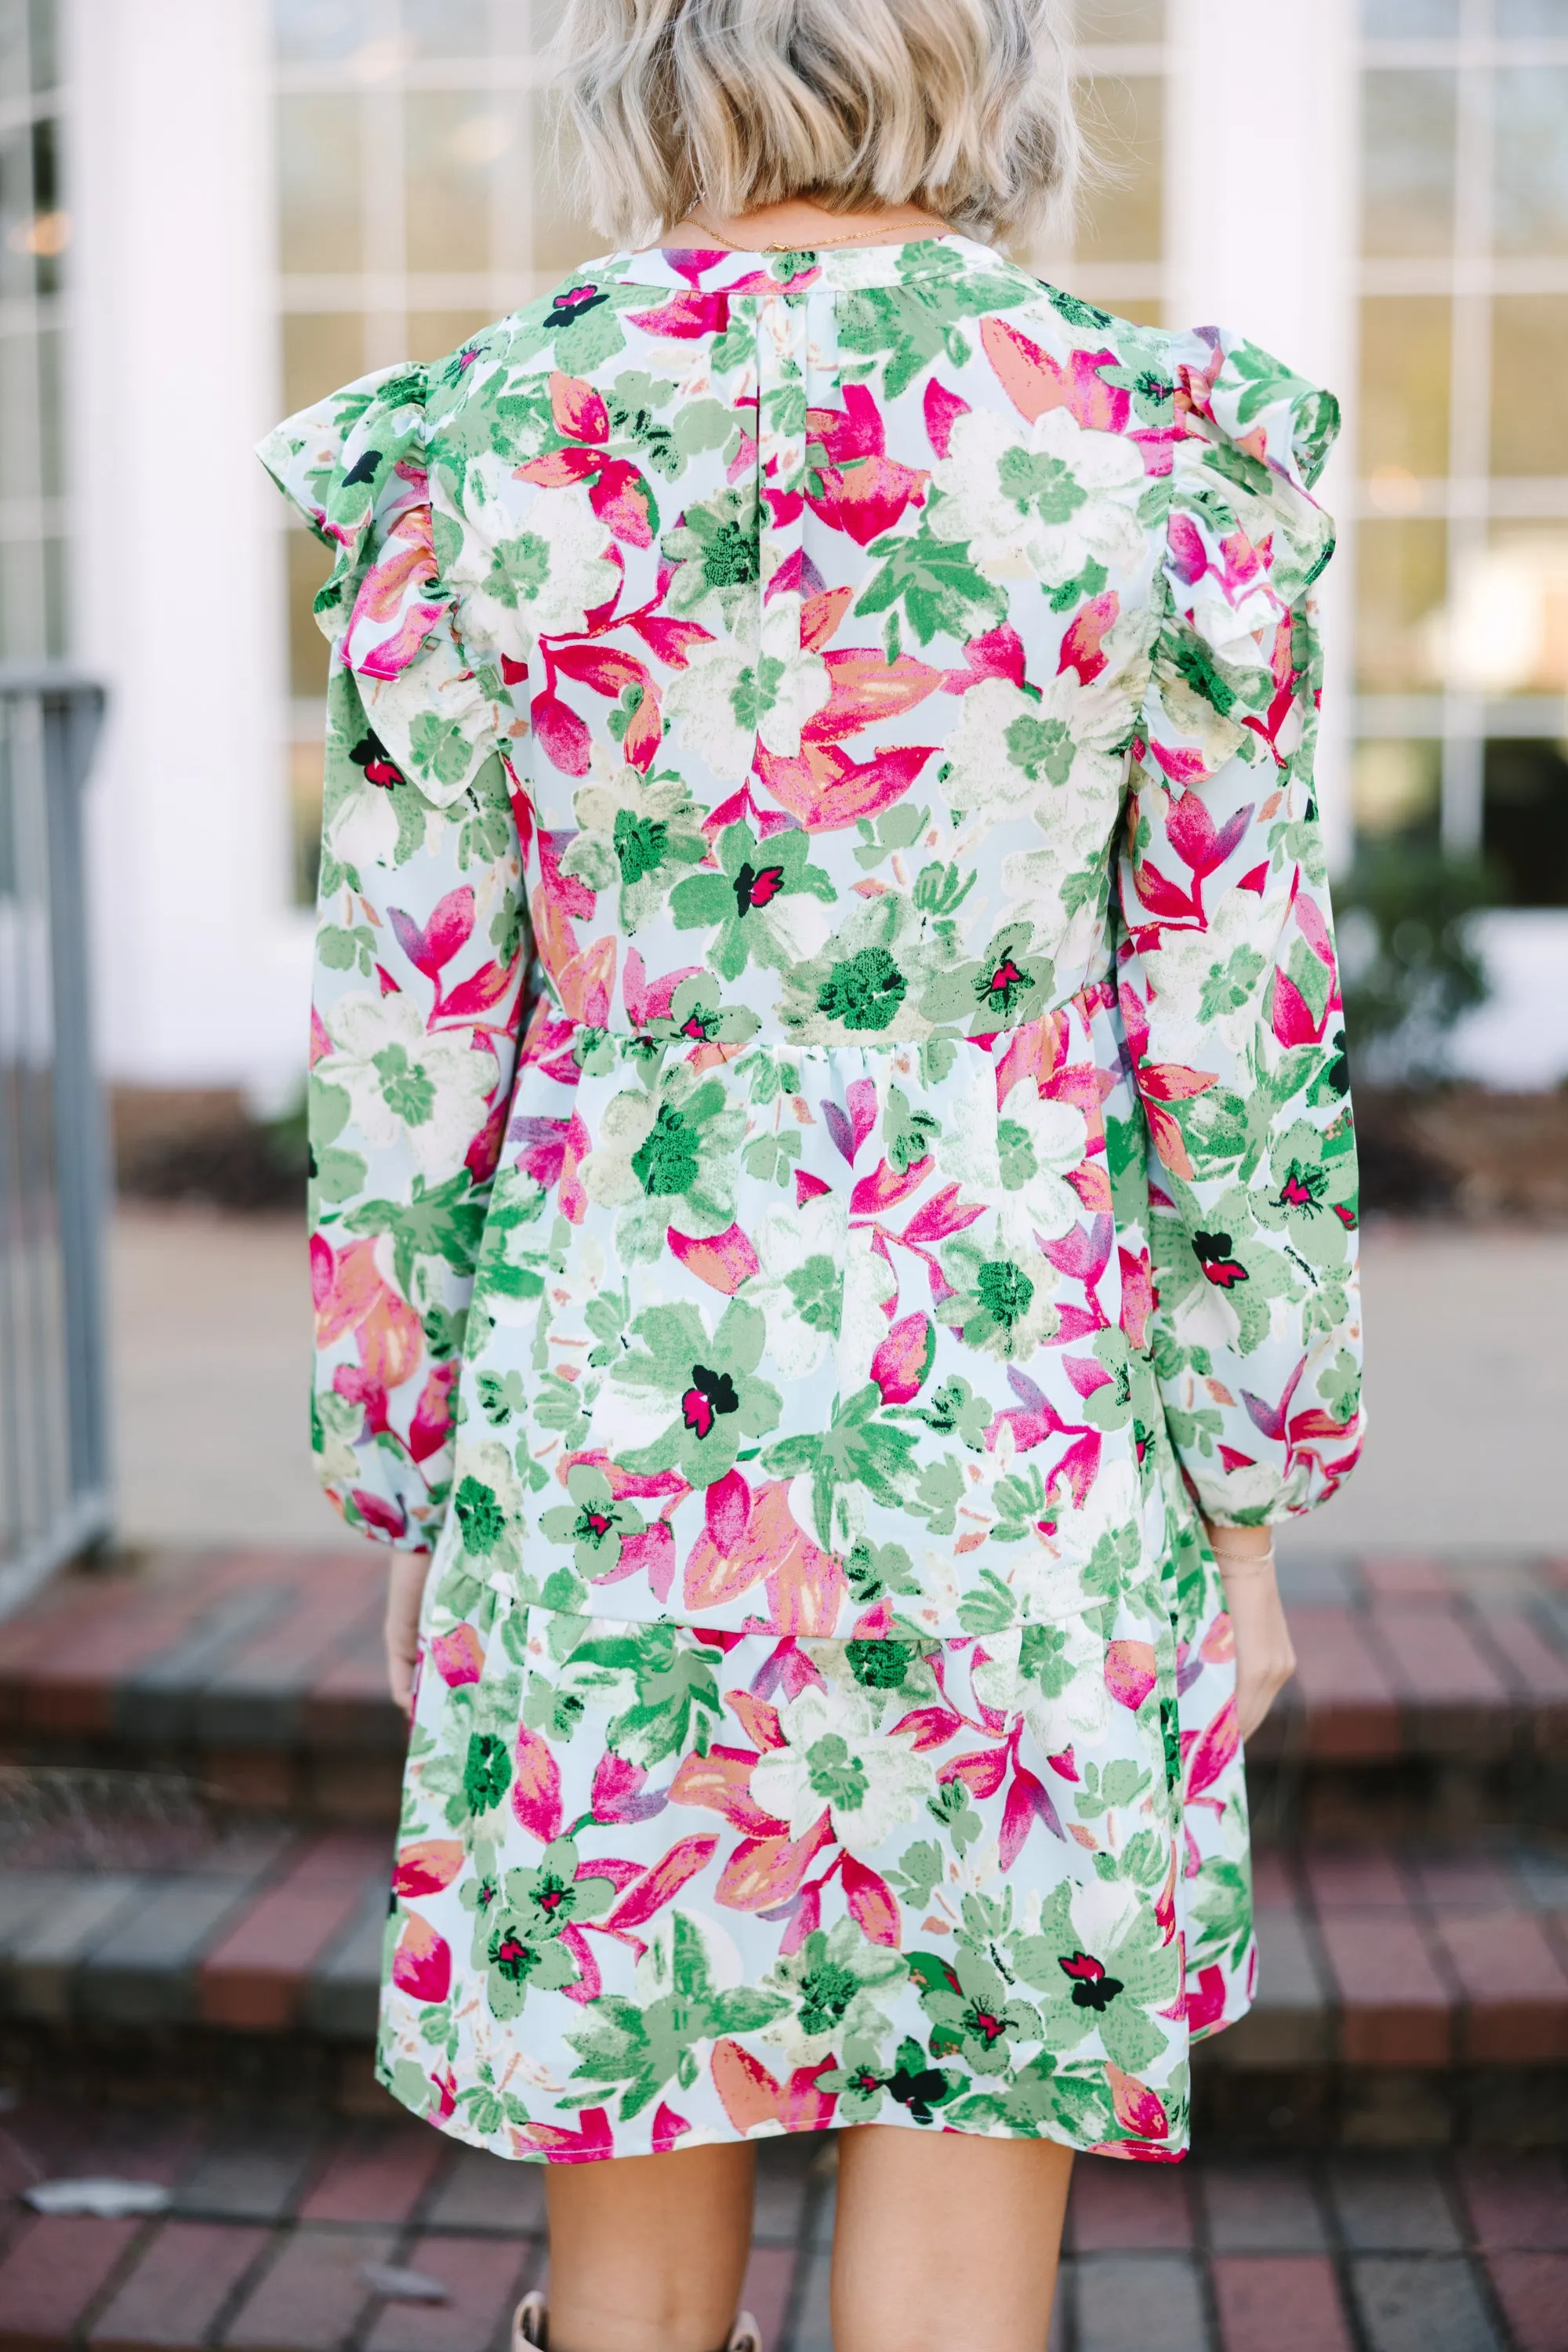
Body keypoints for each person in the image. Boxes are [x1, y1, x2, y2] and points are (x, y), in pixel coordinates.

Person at [259, 3, 1364, 2345]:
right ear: (985, 62)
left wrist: (410, 1473)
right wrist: (1248, 1502)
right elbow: (1234, 1042)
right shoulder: (1154, 447)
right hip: (1029, 1437)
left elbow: (406, 1045)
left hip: (607, 1434)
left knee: (633, 2232)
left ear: (641, 73)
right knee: (964, 2213)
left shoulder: (475, 444)